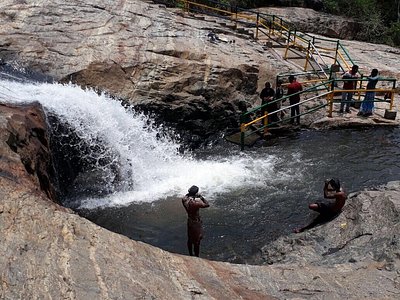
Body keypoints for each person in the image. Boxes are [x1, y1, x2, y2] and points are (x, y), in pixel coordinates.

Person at [182, 185, 209, 257]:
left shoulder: (184, 199)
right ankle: (196, 256)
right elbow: (207, 204)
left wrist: (193, 195)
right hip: (196, 223)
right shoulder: (195, 203)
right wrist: (201, 197)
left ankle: (190, 254)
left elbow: (188, 196)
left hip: (190, 220)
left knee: (190, 238)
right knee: (197, 240)